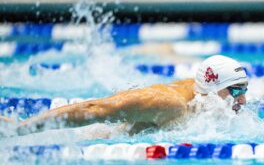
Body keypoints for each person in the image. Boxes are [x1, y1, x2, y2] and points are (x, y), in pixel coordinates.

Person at [0, 55, 249, 137]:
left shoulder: (202, 95)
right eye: (236, 91)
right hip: (93, 140)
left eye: (243, 90)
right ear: (212, 87)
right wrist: (22, 129)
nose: (242, 100)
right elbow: (93, 108)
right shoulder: (169, 102)